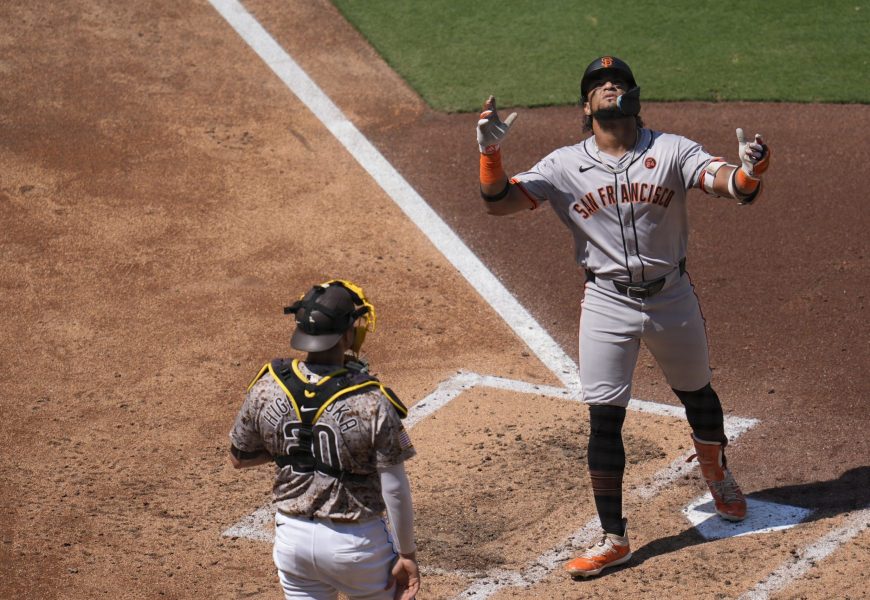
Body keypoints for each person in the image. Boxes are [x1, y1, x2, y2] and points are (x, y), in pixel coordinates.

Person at [475, 56, 770, 578]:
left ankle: (716, 472)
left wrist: (750, 169)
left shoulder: (672, 149)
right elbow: (499, 203)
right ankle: (614, 538)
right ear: (585, 106)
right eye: (598, 85)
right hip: (607, 302)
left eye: (618, 82)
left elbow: (730, 184)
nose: (610, 86)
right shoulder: (563, 165)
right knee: (604, 418)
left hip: (671, 296)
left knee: (698, 395)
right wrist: (491, 154)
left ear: (635, 97)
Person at [228, 279, 421, 599]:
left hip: (293, 542)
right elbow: (394, 486)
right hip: (357, 547)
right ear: (346, 335)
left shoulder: (267, 385)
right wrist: (407, 554)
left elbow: (239, 457)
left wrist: (299, 449)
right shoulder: (371, 400)